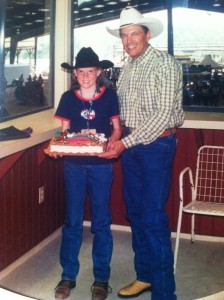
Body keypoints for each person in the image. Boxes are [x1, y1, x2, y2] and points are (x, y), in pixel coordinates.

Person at [99, 6, 185, 300]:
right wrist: (112, 135)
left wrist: (123, 143)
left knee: (152, 218)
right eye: (124, 35)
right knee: (135, 213)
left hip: (157, 146)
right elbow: (121, 113)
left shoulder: (165, 63)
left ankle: (164, 293)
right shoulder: (129, 67)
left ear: (147, 35)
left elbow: (162, 115)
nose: (129, 40)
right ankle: (145, 276)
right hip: (133, 146)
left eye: (134, 34)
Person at [53, 47, 122, 300]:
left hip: (101, 166)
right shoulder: (68, 98)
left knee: (101, 222)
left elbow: (116, 130)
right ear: (75, 73)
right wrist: (57, 147)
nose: (84, 76)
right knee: (72, 221)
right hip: (73, 166)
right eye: (80, 72)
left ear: (98, 72)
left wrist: (110, 145)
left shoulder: (109, 97)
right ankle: (68, 276)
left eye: (89, 71)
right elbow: (63, 133)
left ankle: (101, 279)